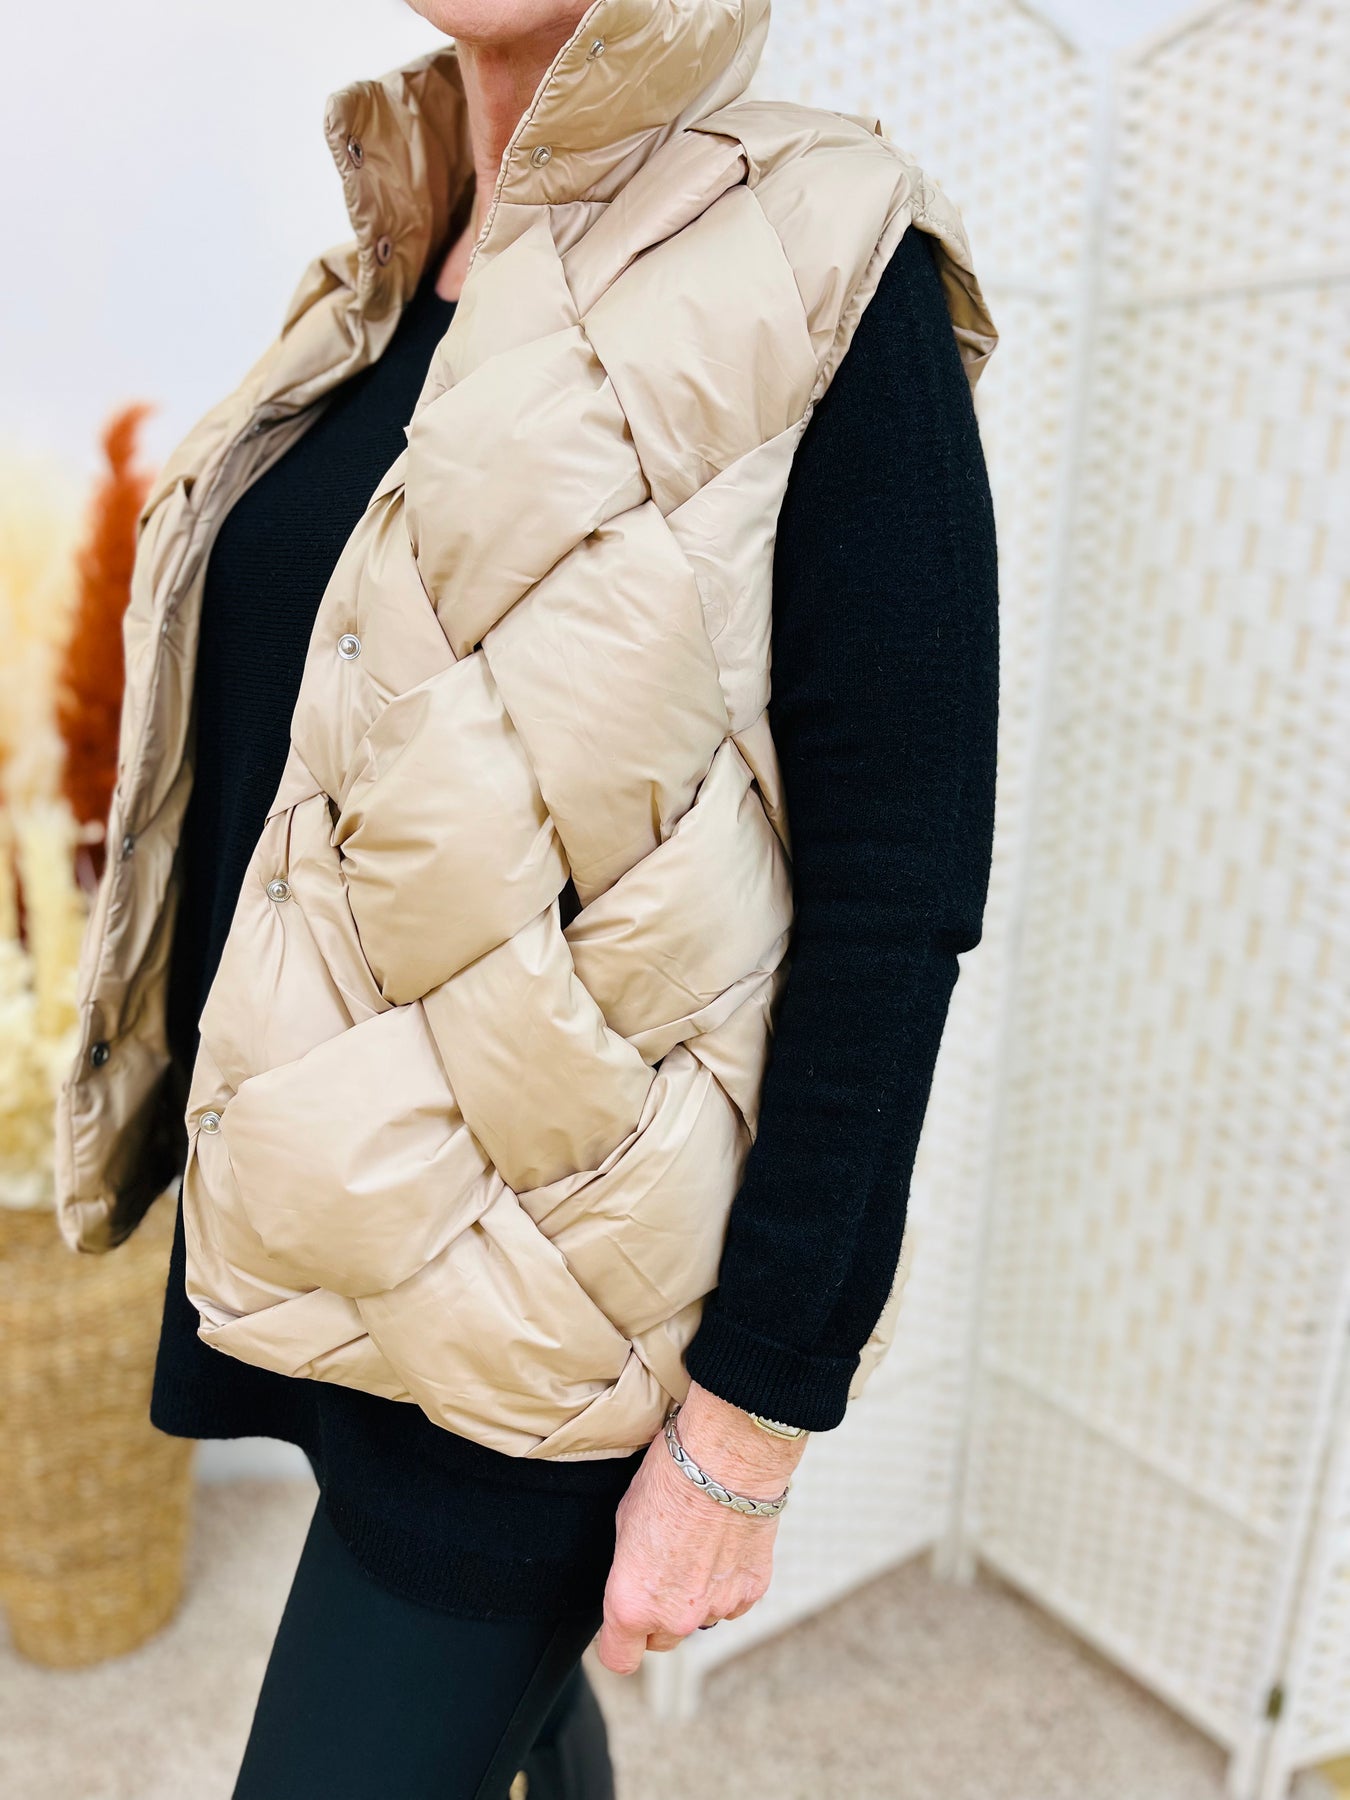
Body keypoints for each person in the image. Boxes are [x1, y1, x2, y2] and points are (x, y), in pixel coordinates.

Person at [55, 2, 999, 1794]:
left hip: (560, 1306)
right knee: (512, 1721)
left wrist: (749, 1425)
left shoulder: (819, 248)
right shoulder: (380, 264)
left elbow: (899, 892)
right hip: (341, 1228)